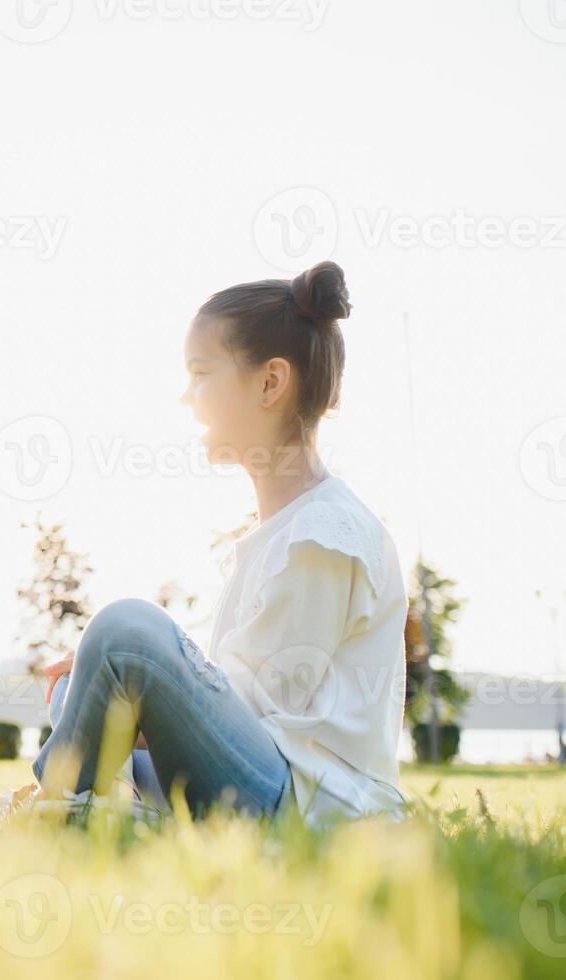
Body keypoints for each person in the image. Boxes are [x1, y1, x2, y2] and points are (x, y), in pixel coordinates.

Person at [36, 260, 409, 823]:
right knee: (82, 682)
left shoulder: (326, 534)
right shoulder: (285, 531)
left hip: (300, 804)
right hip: (253, 777)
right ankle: (97, 804)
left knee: (126, 630)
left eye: (201, 373)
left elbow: (258, 708)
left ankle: (74, 804)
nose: (188, 398)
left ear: (269, 382)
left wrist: (141, 682)